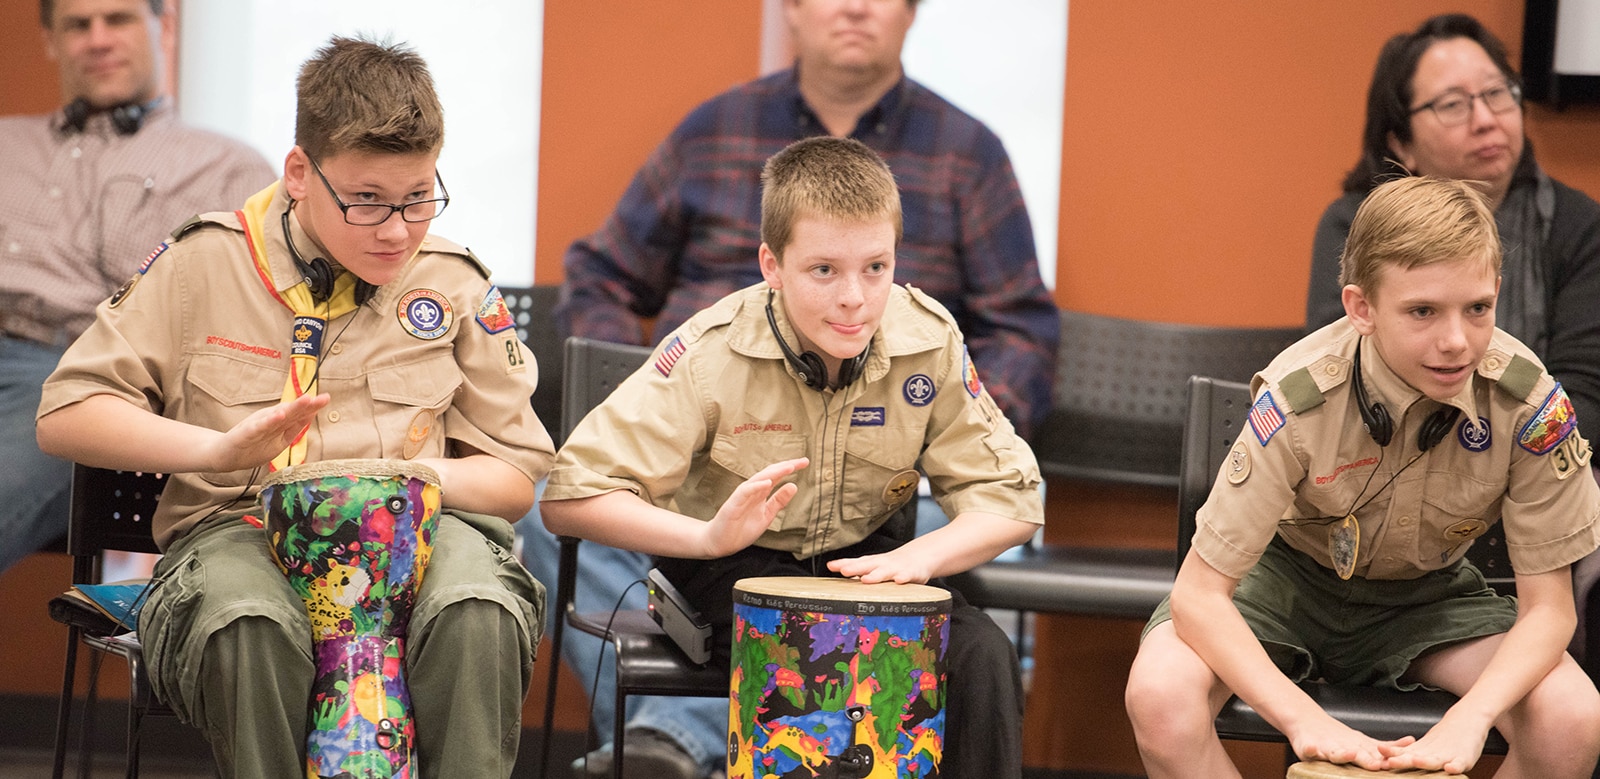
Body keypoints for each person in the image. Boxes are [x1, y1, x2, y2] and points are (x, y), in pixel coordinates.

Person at [524, 2, 1058, 774]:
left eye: (876, 268)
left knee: (978, 651)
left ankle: (676, 743)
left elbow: (1013, 486)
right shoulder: (707, 325)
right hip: (731, 541)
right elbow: (570, 488)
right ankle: (682, 739)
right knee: (803, 633)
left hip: (876, 529)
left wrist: (927, 537)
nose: (854, 298)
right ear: (771, 265)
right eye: (824, 272)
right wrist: (658, 408)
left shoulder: (937, 285)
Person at [35, 36, 551, 779]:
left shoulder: (454, 280)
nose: (399, 229)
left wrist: (380, 481)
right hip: (237, 534)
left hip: (422, 535)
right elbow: (66, 411)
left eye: (418, 196)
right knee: (249, 623)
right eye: (367, 200)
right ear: (300, 173)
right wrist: (213, 451)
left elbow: (514, 480)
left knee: (478, 607)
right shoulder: (204, 262)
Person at [1128, 176, 1600, 777]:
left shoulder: (1528, 404)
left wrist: (1472, 716)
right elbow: (1199, 595)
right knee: (1160, 696)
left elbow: (1550, 611)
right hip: (1284, 582)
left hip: (1428, 595)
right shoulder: (1301, 397)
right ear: (1362, 309)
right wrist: (1304, 719)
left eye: (1477, 308)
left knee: (1572, 718)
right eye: (1422, 311)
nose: (1456, 341)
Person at [1302, 12, 1600, 673]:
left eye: (1498, 94)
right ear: (1400, 141)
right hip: (1379, 475)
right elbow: (1343, 383)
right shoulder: (1354, 225)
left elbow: (1585, 392)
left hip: (1539, 469)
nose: (1488, 119)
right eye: (1455, 104)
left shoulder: (1575, 225)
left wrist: (1503, 469)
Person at [0, 0, 274, 576]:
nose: (98, 39)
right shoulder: (7, 144)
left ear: (165, 27)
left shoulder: (227, 168)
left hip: (72, 371)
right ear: (51, 41)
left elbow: (256, 316)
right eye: (77, 25)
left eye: (118, 19)